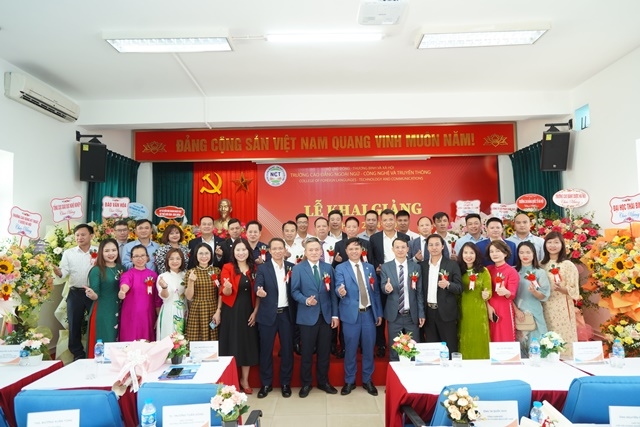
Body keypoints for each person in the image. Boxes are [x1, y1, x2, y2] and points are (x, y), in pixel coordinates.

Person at [291, 237, 339, 398]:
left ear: (321, 251)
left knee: (324, 352)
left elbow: (333, 294)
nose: (314, 252)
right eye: (310, 250)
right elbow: (294, 291)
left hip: (325, 316)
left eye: (317, 249)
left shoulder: (328, 268)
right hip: (307, 317)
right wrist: (305, 300)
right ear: (305, 252)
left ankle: (323, 382)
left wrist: (334, 315)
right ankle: (306, 383)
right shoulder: (298, 269)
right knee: (306, 353)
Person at [334, 238, 382, 396]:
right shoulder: (340, 268)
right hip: (351, 315)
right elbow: (338, 285)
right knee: (350, 349)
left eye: (357, 248)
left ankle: (367, 380)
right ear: (346, 251)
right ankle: (349, 380)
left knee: (368, 349)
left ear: (362, 250)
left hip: (368, 313)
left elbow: (375, 292)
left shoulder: (369, 267)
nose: (354, 251)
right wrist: (340, 291)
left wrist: (378, 313)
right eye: (351, 249)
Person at [254, 238, 296, 399]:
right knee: (266, 351)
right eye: (274, 249)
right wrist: (259, 291)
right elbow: (258, 285)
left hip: (286, 315)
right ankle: (266, 384)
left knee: (287, 351)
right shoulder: (263, 268)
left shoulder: (291, 267)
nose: (278, 251)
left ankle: (285, 384)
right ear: (269, 251)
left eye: (280, 248)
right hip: (267, 315)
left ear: (285, 250)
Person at [219, 238, 260, 394]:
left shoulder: (254, 268)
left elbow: (258, 293)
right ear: (233, 252)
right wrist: (227, 287)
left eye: (244, 250)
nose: (241, 253)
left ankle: (245, 380)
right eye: (238, 250)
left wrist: (255, 312)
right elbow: (225, 293)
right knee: (231, 344)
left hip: (248, 311)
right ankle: (231, 380)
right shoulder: (227, 267)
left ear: (248, 251)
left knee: (246, 344)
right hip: (231, 312)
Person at [53, 223, 98, 360]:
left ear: (91, 236)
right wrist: (59, 272)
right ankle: (77, 354)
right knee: (74, 324)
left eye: (83, 234)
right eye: (77, 235)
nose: (79, 237)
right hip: (75, 292)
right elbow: (64, 272)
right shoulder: (69, 253)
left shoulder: (98, 251)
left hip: (93, 292)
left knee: (96, 322)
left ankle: (96, 351)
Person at [369, 209, 410, 358]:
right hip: (382, 279)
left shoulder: (404, 237)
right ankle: (381, 344)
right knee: (382, 312)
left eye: (391, 219)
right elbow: (371, 259)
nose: (388, 223)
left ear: (395, 220)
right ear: (381, 222)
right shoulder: (374, 238)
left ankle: (405, 344)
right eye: (385, 220)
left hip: (402, 279)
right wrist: (376, 268)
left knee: (401, 312)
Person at [381, 238, 424, 361]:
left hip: (411, 314)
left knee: (413, 349)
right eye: (397, 247)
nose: (400, 250)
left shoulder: (415, 267)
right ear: (393, 249)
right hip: (394, 315)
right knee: (395, 350)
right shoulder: (386, 267)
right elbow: (383, 286)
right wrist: (386, 288)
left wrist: (421, 313)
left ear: (408, 249)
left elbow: (419, 292)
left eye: (403, 247)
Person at [420, 234, 463, 352]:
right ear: (427, 247)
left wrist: (448, 284)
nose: (434, 247)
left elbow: (459, 288)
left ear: (443, 246)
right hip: (428, 312)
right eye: (431, 245)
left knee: (450, 347)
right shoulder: (422, 266)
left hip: (446, 313)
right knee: (432, 349)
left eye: (437, 244)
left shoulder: (452, 265)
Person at [540, 231, 579, 359]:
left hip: (562, 305)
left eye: (556, 242)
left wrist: (563, 289)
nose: (552, 245)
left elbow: (574, 289)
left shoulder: (568, 265)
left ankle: (566, 359)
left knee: (564, 334)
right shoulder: (541, 265)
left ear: (562, 245)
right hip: (545, 305)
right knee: (547, 333)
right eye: (549, 242)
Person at [85, 238, 123, 357]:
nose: (111, 253)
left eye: (114, 250)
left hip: (120, 310)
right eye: (107, 251)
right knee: (105, 341)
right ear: (101, 252)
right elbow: (95, 294)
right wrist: (92, 294)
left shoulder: (121, 268)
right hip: (103, 310)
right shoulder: (96, 270)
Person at [514, 241, 550, 356]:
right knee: (519, 345)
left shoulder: (540, 272)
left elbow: (544, 295)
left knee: (537, 345)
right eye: (521, 252)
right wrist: (516, 310)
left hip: (535, 311)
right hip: (517, 311)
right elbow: (508, 296)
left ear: (534, 254)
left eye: (528, 252)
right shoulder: (513, 271)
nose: (525, 255)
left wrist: (535, 292)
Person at [456, 242, 492, 359]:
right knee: (464, 336)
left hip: (479, 311)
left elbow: (489, 291)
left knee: (479, 336)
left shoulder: (483, 271)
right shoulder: (458, 270)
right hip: (462, 310)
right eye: (465, 253)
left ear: (476, 254)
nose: (468, 256)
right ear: (461, 254)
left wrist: (486, 294)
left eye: (471, 253)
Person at [118, 245, 160, 341]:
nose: (139, 259)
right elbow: (124, 284)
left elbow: (157, 300)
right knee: (130, 342)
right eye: (136, 256)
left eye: (142, 255)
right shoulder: (128, 274)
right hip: (131, 316)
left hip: (148, 316)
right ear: (131, 258)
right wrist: (122, 291)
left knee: (147, 343)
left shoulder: (153, 275)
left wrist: (159, 317)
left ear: (147, 257)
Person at [184, 242, 221, 342]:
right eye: (200, 253)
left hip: (213, 309)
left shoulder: (217, 271)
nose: (204, 256)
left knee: (213, 337)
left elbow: (220, 294)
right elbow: (189, 297)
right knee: (195, 339)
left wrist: (218, 311)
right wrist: (191, 281)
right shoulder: (190, 272)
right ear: (196, 255)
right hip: (196, 310)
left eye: (206, 253)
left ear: (211, 255)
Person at [486, 240, 519, 342]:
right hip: (488, 307)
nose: (494, 254)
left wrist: (506, 292)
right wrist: (488, 306)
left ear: (505, 253)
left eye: (498, 251)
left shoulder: (511, 271)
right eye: (491, 251)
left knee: (504, 336)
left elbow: (512, 294)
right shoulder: (487, 270)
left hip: (504, 308)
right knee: (489, 336)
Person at [156, 248, 187, 340]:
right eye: (171, 259)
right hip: (169, 311)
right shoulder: (163, 277)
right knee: (168, 338)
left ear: (182, 260)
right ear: (167, 261)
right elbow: (165, 297)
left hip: (184, 310)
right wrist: (164, 287)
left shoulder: (186, 275)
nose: (175, 261)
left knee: (183, 340)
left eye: (178, 258)